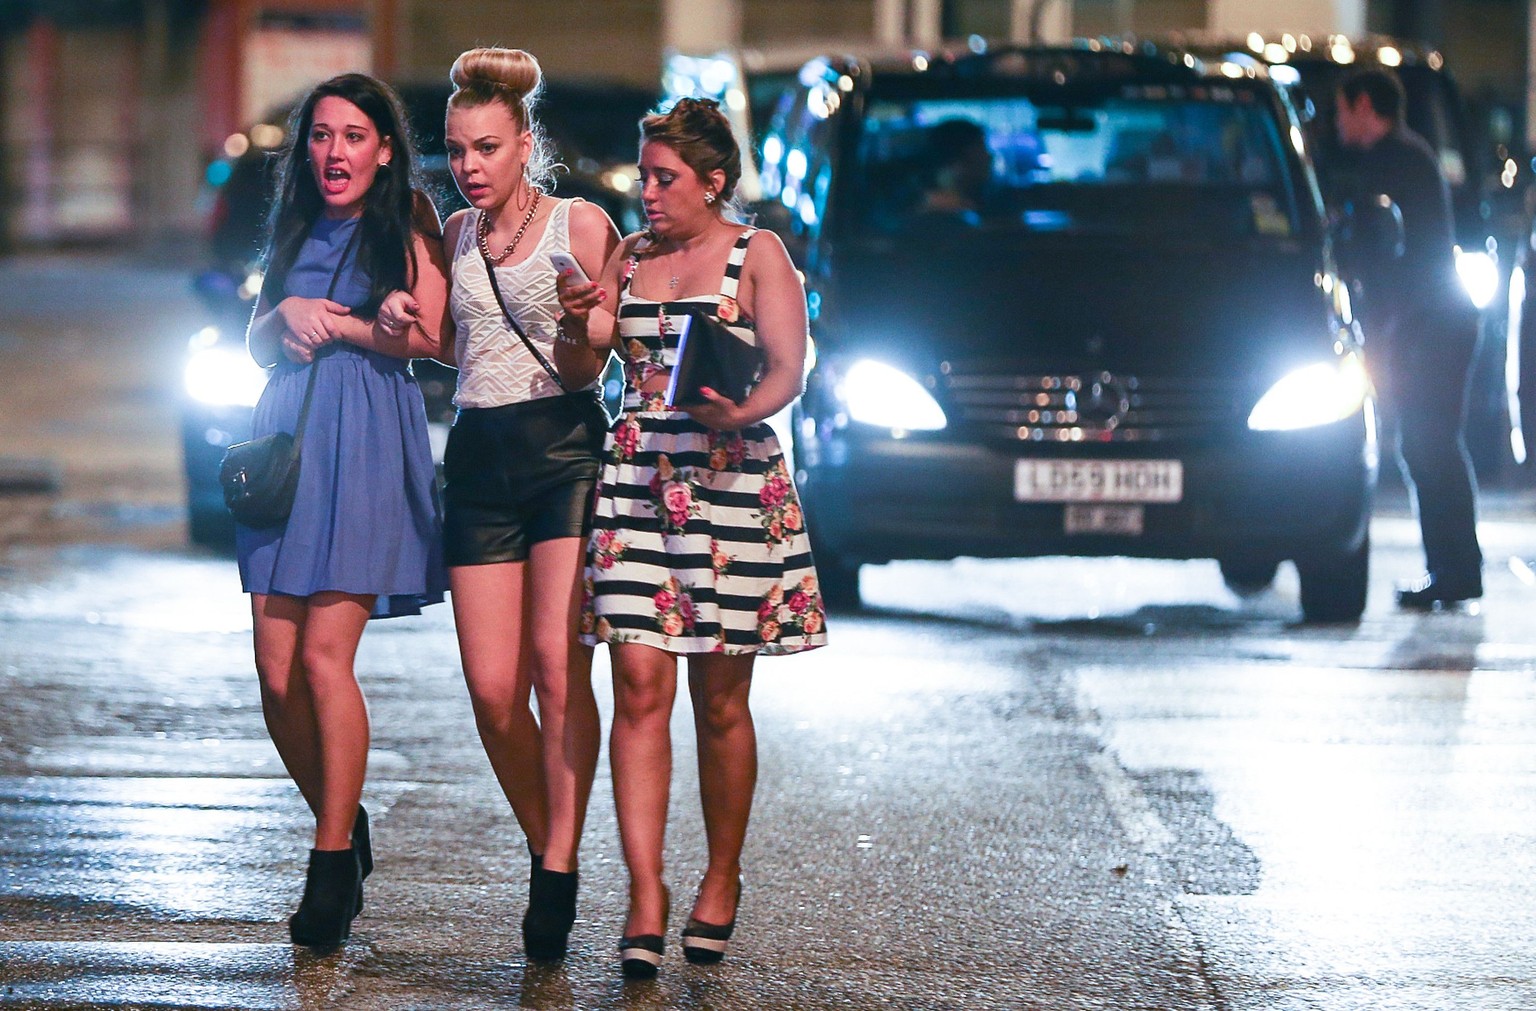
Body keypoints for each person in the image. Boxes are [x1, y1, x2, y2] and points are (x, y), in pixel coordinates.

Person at [556, 97, 829, 978]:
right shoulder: (630, 257)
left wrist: (736, 410)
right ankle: (645, 893)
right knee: (637, 680)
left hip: (730, 488)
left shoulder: (758, 255)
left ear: (714, 183)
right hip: (636, 482)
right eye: (645, 174)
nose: (649, 191)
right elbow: (590, 357)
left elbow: (790, 366)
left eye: (666, 178)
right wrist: (578, 315)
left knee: (720, 700)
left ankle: (720, 875)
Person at [239, 72, 450, 949]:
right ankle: (346, 814)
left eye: (353, 136)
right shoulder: (294, 225)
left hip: (363, 435)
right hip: (285, 444)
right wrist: (283, 311)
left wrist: (357, 325)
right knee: (276, 674)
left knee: (326, 659)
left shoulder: (406, 224)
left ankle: (329, 865)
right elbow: (256, 342)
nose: (335, 152)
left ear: (385, 149)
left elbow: (432, 337)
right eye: (321, 136)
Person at [432, 46, 620, 961]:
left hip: (561, 453)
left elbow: (597, 361)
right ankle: (555, 835)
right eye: (459, 149)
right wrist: (395, 325)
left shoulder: (580, 226)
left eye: (488, 148)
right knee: (493, 691)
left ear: (525, 144)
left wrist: (590, 323)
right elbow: (447, 343)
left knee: (555, 665)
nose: (470, 166)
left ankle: (555, 864)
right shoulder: (456, 237)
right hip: (477, 455)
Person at [1329, 67, 1483, 608]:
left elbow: (1389, 257)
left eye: (1342, 109)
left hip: (1432, 328)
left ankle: (1457, 572)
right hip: (1430, 325)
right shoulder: (1404, 158)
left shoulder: (1396, 162)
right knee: (1427, 446)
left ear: (1365, 104)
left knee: (1431, 445)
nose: (1338, 121)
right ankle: (1453, 570)